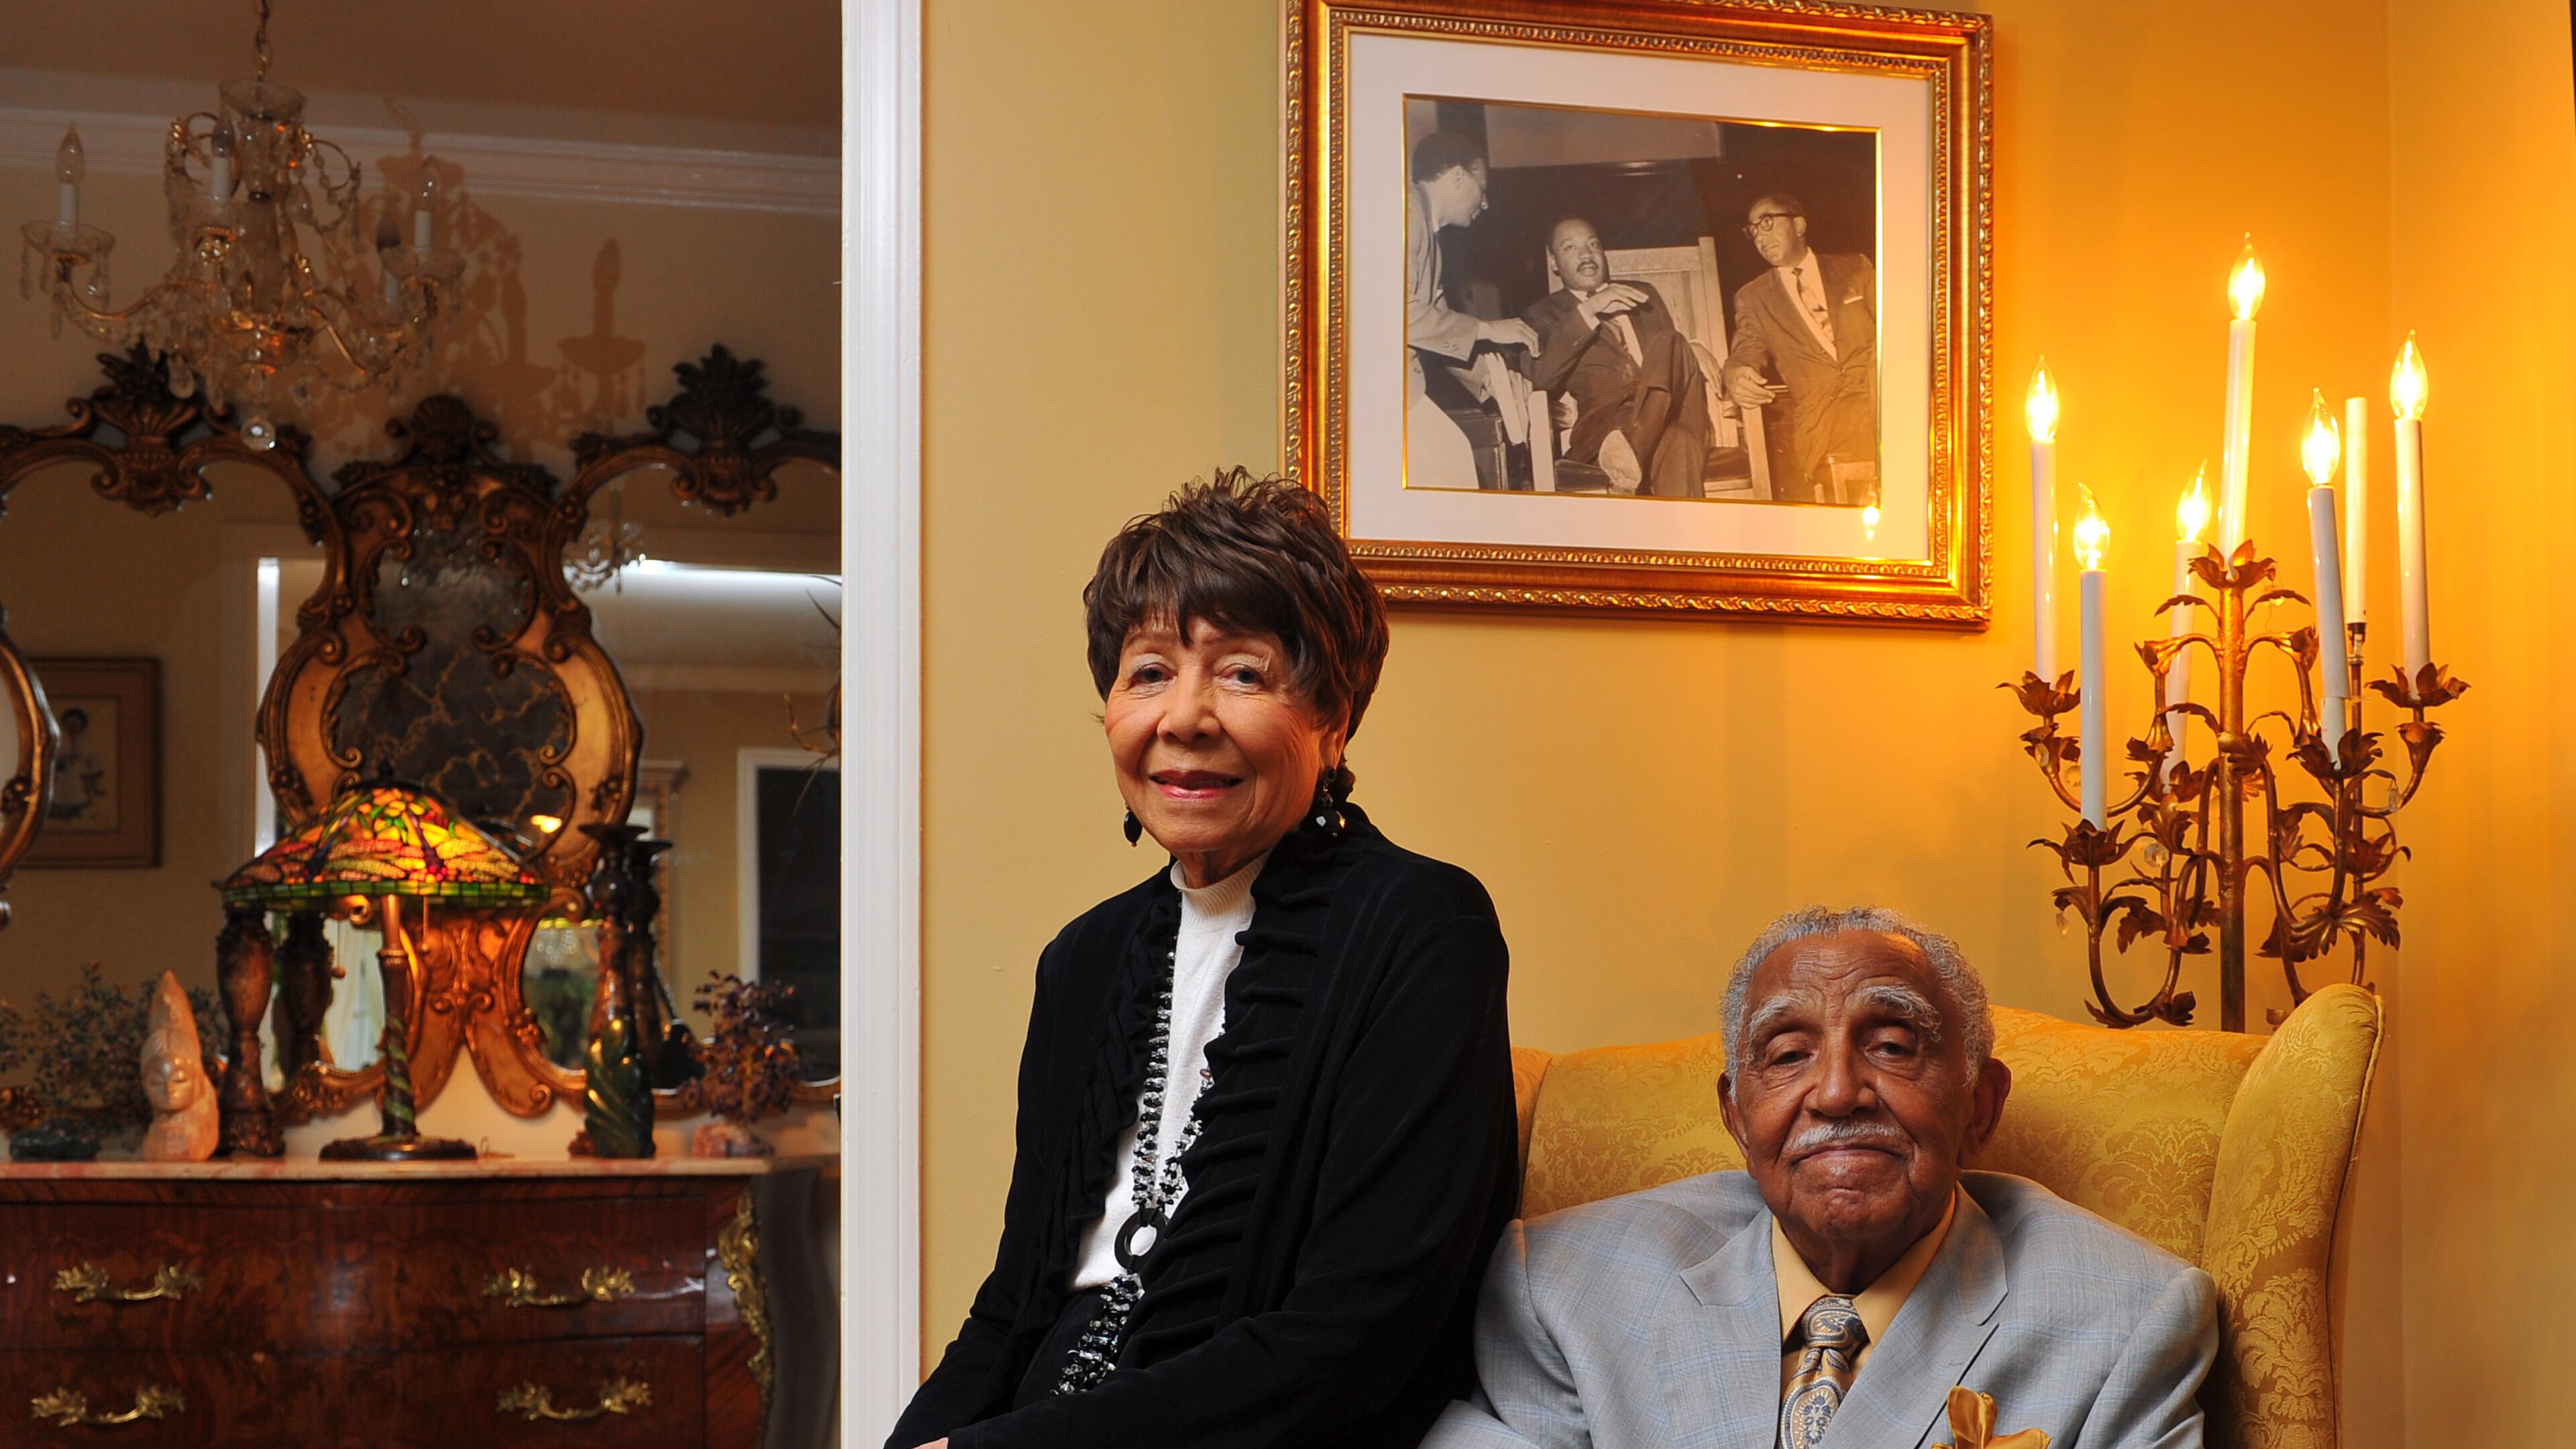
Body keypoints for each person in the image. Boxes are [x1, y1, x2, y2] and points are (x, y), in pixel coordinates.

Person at [888, 470, 1520, 1449]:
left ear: (1334, 721)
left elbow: (1359, 1333)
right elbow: (1015, 1308)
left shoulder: (1423, 928)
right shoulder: (1084, 962)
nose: (1183, 717)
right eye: (1148, 672)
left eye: (1243, 673)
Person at [1425, 906, 2218, 1449]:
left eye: (1894, 1045)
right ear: (1737, 1116)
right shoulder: (1563, 1285)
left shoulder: (2131, 1316)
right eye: (1788, 1054)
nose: (1837, 1092)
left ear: (1980, 1105)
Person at [1520, 216, 1711, 497]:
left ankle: (1635, 449)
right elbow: (1542, 376)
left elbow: (1670, 361)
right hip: (1609, 432)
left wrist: (1692, 346)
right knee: (1679, 441)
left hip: (1671, 413)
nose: (1586, 254)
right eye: (1570, 248)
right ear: (1553, 262)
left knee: (1672, 340)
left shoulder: (1643, 294)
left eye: (1593, 244)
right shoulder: (1544, 315)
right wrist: (1590, 310)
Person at [1720, 194, 1880, 504]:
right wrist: (1736, 373)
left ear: (1799, 225)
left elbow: (1900, 327)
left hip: (1881, 398)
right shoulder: (1754, 297)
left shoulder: (1855, 267)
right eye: (1753, 231)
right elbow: (1745, 349)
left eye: (1767, 223)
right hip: (1826, 420)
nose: (1760, 237)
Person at [1407, 131, 1538, 491]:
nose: (1485, 204)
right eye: (1483, 189)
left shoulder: (1426, 229)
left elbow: (1438, 330)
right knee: (1454, 461)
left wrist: (1487, 378)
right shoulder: (1406, 215)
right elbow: (1403, 318)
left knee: (1453, 462)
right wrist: (1490, 328)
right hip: (1377, 397)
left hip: (1401, 393)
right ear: (1458, 177)